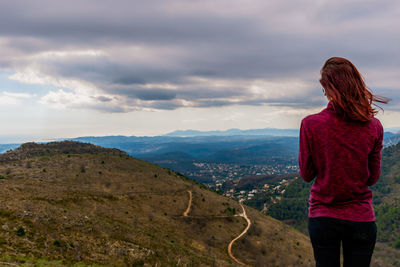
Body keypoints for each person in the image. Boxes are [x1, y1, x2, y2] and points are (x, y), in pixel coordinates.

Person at [298, 57, 391, 267]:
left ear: (328, 89)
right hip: (361, 218)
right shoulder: (374, 127)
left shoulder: (310, 125)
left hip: (323, 216)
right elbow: (372, 178)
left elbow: (306, 174)